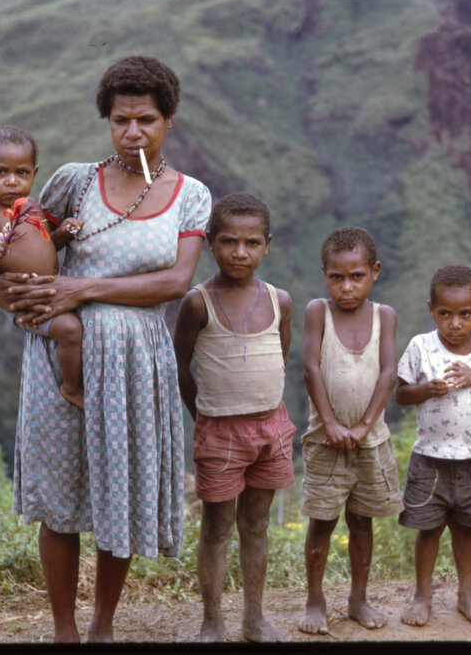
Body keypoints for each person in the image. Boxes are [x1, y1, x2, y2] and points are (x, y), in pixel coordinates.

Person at [0, 56, 211, 642]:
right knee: (60, 496)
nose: (133, 132)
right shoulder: (73, 181)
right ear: (108, 121)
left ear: (169, 121)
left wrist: (81, 288)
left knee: (121, 492)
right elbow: (20, 253)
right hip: (63, 354)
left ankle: (103, 627)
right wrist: (2, 292)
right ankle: (63, 629)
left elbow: (175, 282)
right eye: (121, 120)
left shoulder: (191, 196)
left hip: (136, 362)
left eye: (147, 120)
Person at [172, 193, 294, 643]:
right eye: (228, 242)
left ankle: (254, 619)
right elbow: (180, 363)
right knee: (218, 526)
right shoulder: (197, 303)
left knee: (257, 524)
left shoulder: (280, 301)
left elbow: (280, 357)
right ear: (210, 243)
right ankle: (212, 622)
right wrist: (201, 415)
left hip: (270, 426)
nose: (240, 253)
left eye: (251, 243)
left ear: (267, 245)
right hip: (219, 430)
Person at [297, 226, 404, 635]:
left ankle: (359, 598)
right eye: (336, 277)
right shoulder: (317, 312)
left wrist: (361, 426)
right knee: (321, 522)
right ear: (324, 275)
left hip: (370, 442)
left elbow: (389, 372)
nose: (346, 287)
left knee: (362, 522)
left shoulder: (384, 316)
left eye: (356, 276)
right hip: (326, 443)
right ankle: (315, 600)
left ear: (374, 272)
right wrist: (330, 423)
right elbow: (310, 367)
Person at [395, 264, 471, 626]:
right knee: (429, 530)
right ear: (432, 310)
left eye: (464, 314)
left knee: (464, 529)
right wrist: (427, 389)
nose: (454, 323)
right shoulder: (421, 347)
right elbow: (400, 395)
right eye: (445, 314)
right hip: (430, 460)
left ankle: (466, 593)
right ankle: (422, 596)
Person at [0, 126, 86, 409]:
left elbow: (45, 245)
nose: (11, 182)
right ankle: (71, 387)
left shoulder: (31, 206)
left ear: (34, 172)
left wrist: (63, 235)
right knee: (70, 330)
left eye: (21, 173)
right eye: (0, 173)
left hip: (52, 290)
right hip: (26, 298)